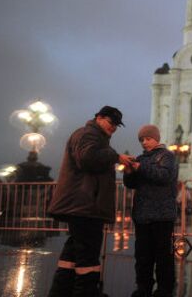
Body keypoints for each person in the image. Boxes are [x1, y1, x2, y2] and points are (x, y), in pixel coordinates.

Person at [47, 106, 134, 296]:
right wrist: (116, 156)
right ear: (99, 118)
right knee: (88, 256)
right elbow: (87, 158)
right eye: (111, 123)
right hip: (84, 205)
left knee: (72, 254)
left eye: (117, 125)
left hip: (83, 205)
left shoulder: (96, 137)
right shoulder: (88, 134)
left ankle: (60, 292)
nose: (114, 128)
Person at [123, 124, 178, 297]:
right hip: (142, 215)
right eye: (141, 140)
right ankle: (143, 287)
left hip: (162, 215)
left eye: (147, 139)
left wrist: (140, 167)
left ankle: (164, 289)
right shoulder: (141, 158)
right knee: (143, 256)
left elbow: (164, 176)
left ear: (156, 138)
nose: (144, 142)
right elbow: (131, 184)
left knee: (163, 256)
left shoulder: (167, 156)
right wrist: (129, 172)